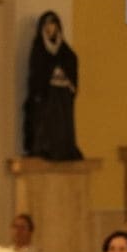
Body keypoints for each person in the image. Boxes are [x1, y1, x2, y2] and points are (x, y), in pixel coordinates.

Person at [22, 10, 82, 161]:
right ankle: (44, 146)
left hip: (61, 97)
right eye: (47, 25)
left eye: (52, 25)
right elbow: (36, 76)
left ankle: (63, 146)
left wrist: (62, 75)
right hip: (46, 96)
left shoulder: (66, 53)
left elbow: (71, 68)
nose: (50, 29)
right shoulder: (39, 51)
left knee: (62, 123)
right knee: (45, 122)